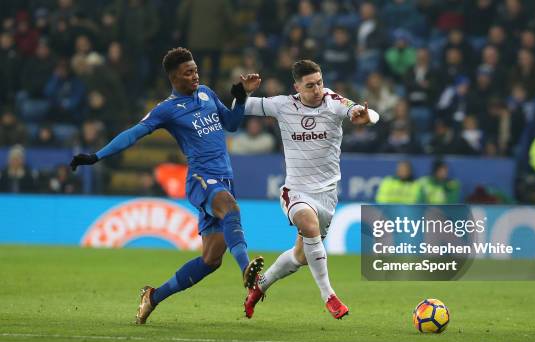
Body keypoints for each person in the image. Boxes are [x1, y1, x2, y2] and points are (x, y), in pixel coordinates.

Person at [69, 47, 264, 324]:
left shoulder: (207, 93)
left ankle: (153, 296)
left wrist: (241, 96)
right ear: (174, 78)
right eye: (188, 72)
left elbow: (231, 124)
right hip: (201, 179)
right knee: (230, 208)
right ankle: (248, 272)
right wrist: (96, 156)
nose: (195, 75)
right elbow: (132, 134)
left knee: (211, 260)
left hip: (224, 179)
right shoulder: (167, 110)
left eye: (196, 69)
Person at [242, 60, 379, 319]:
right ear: (297, 87)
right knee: (308, 223)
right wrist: (244, 91)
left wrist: (365, 117)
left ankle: (259, 287)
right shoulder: (282, 105)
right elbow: (241, 107)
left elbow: (359, 111)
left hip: (327, 195)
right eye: (309, 85)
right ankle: (329, 296)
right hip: (296, 190)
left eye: (319, 83)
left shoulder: (333, 102)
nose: (316, 89)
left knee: (300, 257)